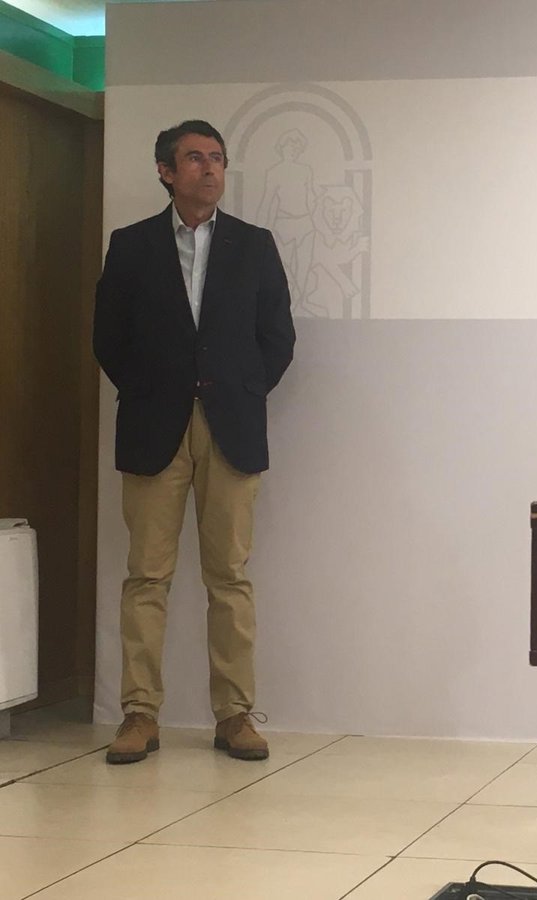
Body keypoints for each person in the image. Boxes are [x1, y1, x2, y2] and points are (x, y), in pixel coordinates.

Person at [94, 120, 295, 764]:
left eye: (217, 158)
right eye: (195, 158)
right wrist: (152, 390)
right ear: (166, 172)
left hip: (230, 426)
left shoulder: (254, 244)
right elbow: (109, 338)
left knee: (229, 576)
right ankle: (139, 714)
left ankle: (235, 715)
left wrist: (242, 390)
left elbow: (278, 337)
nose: (209, 169)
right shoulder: (130, 245)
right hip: (154, 426)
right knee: (146, 576)